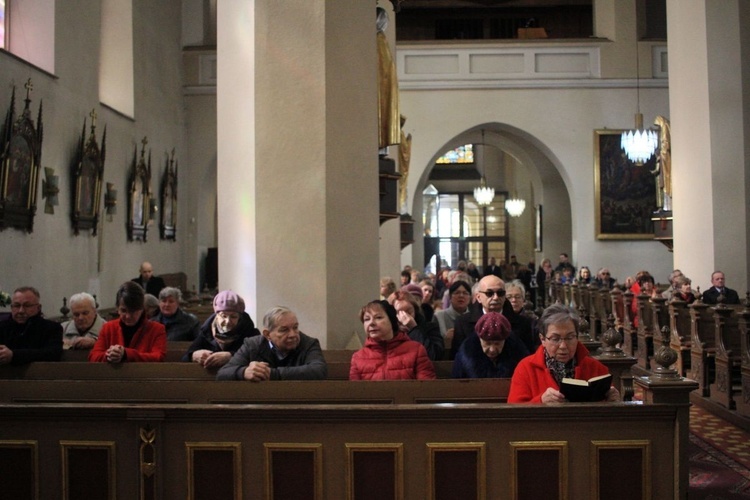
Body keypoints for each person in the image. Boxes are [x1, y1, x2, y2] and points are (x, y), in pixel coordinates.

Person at [508, 304, 620, 403]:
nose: (563, 346)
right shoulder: (526, 368)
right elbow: (513, 414)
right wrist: (540, 401)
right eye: (555, 339)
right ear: (542, 339)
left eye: (570, 338)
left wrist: (613, 400)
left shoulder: (596, 369)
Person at [217, 306, 327, 381]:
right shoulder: (252, 345)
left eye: (295, 327)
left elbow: (318, 371)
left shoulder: (309, 344)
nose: (293, 334)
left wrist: (272, 374)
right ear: (267, 334)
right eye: (284, 330)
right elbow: (222, 374)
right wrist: (243, 372)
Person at [349, 300, 435, 380]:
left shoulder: (416, 350)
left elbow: (426, 388)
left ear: (392, 321)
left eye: (378, 317)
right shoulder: (358, 357)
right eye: (367, 319)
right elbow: (355, 393)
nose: (371, 323)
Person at [89, 281, 167, 363]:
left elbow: (158, 357)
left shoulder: (157, 329)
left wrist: (126, 354)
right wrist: (109, 355)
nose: (128, 316)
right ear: (117, 309)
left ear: (142, 309)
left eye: (133, 311)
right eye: (123, 310)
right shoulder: (108, 328)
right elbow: (93, 356)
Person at [182, 290, 260, 369]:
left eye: (233, 317)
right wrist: (194, 355)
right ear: (216, 316)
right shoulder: (206, 332)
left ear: (240, 318)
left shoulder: (251, 334)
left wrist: (231, 356)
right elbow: (184, 359)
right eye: (223, 316)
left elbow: (260, 358)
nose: (228, 321)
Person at [452, 312, 529, 379]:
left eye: (497, 344)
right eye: (487, 343)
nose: (492, 349)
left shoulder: (519, 354)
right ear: (480, 340)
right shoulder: (466, 354)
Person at [0, 286, 63, 365]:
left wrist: (14, 355)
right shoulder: (2, 327)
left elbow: (53, 354)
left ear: (38, 307)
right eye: (16, 305)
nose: (21, 311)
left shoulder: (52, 328)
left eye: (27, 306)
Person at [450, 275, 506, 360]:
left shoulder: (522, 323)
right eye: (489, 293)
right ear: (478, 297)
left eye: (500, 293)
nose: (495, 297)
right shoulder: (462, 322)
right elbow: (458, 357)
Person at [391, 290, 444, 361]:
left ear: (415, 311)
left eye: (409, 311)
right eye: (399, 313)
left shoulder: (430, 328)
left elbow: (433, 356)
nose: (404, 317)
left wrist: (414, 329)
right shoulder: (389, 332)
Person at [433, 280, 472, 349]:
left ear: (470, 298)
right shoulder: (439, 316)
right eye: (457, 293)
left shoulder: (475, 317)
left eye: (465, 293)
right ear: (450, 297)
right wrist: (446, 341)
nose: (461, 296)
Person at [505, 280, 539, 353]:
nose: (514, 300)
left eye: (518, 297)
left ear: (523, 300)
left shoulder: (532, 321)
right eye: (509, 297)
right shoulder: (502, 320)